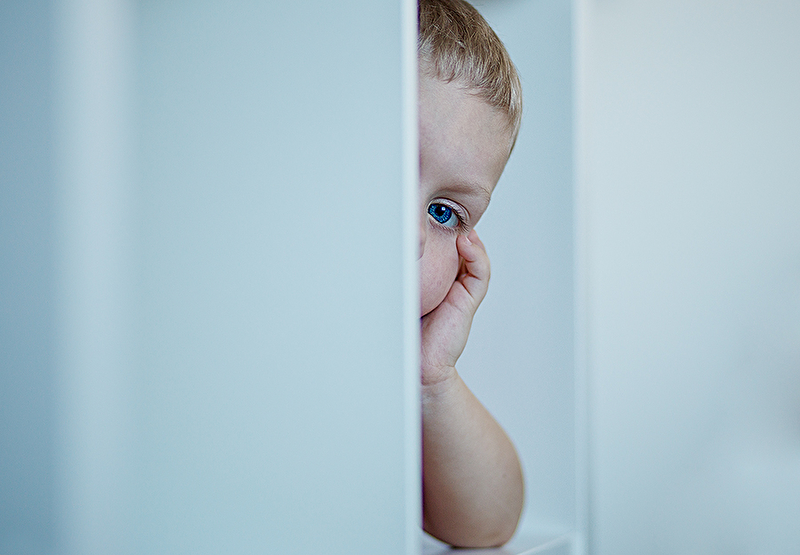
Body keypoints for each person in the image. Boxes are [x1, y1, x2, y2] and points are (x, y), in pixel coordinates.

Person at [418, 0, 525, 548]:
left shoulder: (400, 365)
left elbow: (490, 523)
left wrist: (434, 379)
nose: (409, 236)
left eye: (441, 212)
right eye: (384, 175)